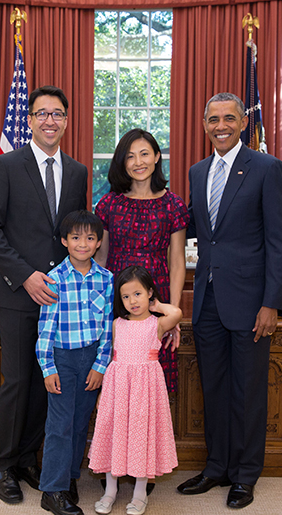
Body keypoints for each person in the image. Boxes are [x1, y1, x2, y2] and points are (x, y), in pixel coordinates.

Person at [177, 93, 282, 509]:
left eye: (228, 118)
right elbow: (192, 224)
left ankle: (245, 476)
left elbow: (280, 242)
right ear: (204, 124)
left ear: (243, 122)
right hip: (207, 299)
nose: (220, 125)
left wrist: (270, 303)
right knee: (215, 388)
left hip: (250, 303)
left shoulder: (267, 168)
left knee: (247, 391)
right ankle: (216, 467)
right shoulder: (197, 171)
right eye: (213, 119)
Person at [0, 86, 88, 504]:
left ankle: (27, 458)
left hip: (61, 299)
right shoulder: (5, 165)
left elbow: (74, 233)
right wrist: (25, 276)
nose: (49, 121)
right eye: (41, 113)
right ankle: (4, 465)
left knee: (48, 385)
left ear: (66, 120)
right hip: (17, 293)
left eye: (57, 114)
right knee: (18, 380)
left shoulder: (76, 172)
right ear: (29, 120)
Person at [94, 128, 189, 393]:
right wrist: (100, 309)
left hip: (155, 295)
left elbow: (178, 262)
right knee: (116, 369)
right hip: (117, 297)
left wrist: (172, 314)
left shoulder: (173, 205)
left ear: (157, 157)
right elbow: (100, 259)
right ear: (122, 163)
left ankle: (148, 431)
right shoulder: (109, 204)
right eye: (130, 156)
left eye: (145, 154)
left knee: (152, 369)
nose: (138, 162)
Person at [36, 210, 113, 515]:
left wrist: (100, 365)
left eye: (90, 238)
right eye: (76, 237)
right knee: (60, 425)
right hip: (62, 359)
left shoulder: (106, 280)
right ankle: (52, 490)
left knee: (81, 423)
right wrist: (48, 367)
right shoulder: (53, 279)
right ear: (65, 241)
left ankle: (69, 478)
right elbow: (46, 328)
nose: (83, 243)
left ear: (98, 243)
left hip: (90, 358)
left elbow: (108, 326)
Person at [89, 266, 181, 515]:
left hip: (145, 391)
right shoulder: (117, 324)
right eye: (126, 297)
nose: (132, 301)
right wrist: (101, 394)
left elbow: (177, 312)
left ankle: (140, 494)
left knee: (143, 437)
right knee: (113, 435)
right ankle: (110, 490)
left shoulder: (157, 324)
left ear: (150, 292)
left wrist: (156, 305)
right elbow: (110, 358)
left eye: (138, 294)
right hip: (117, 387)